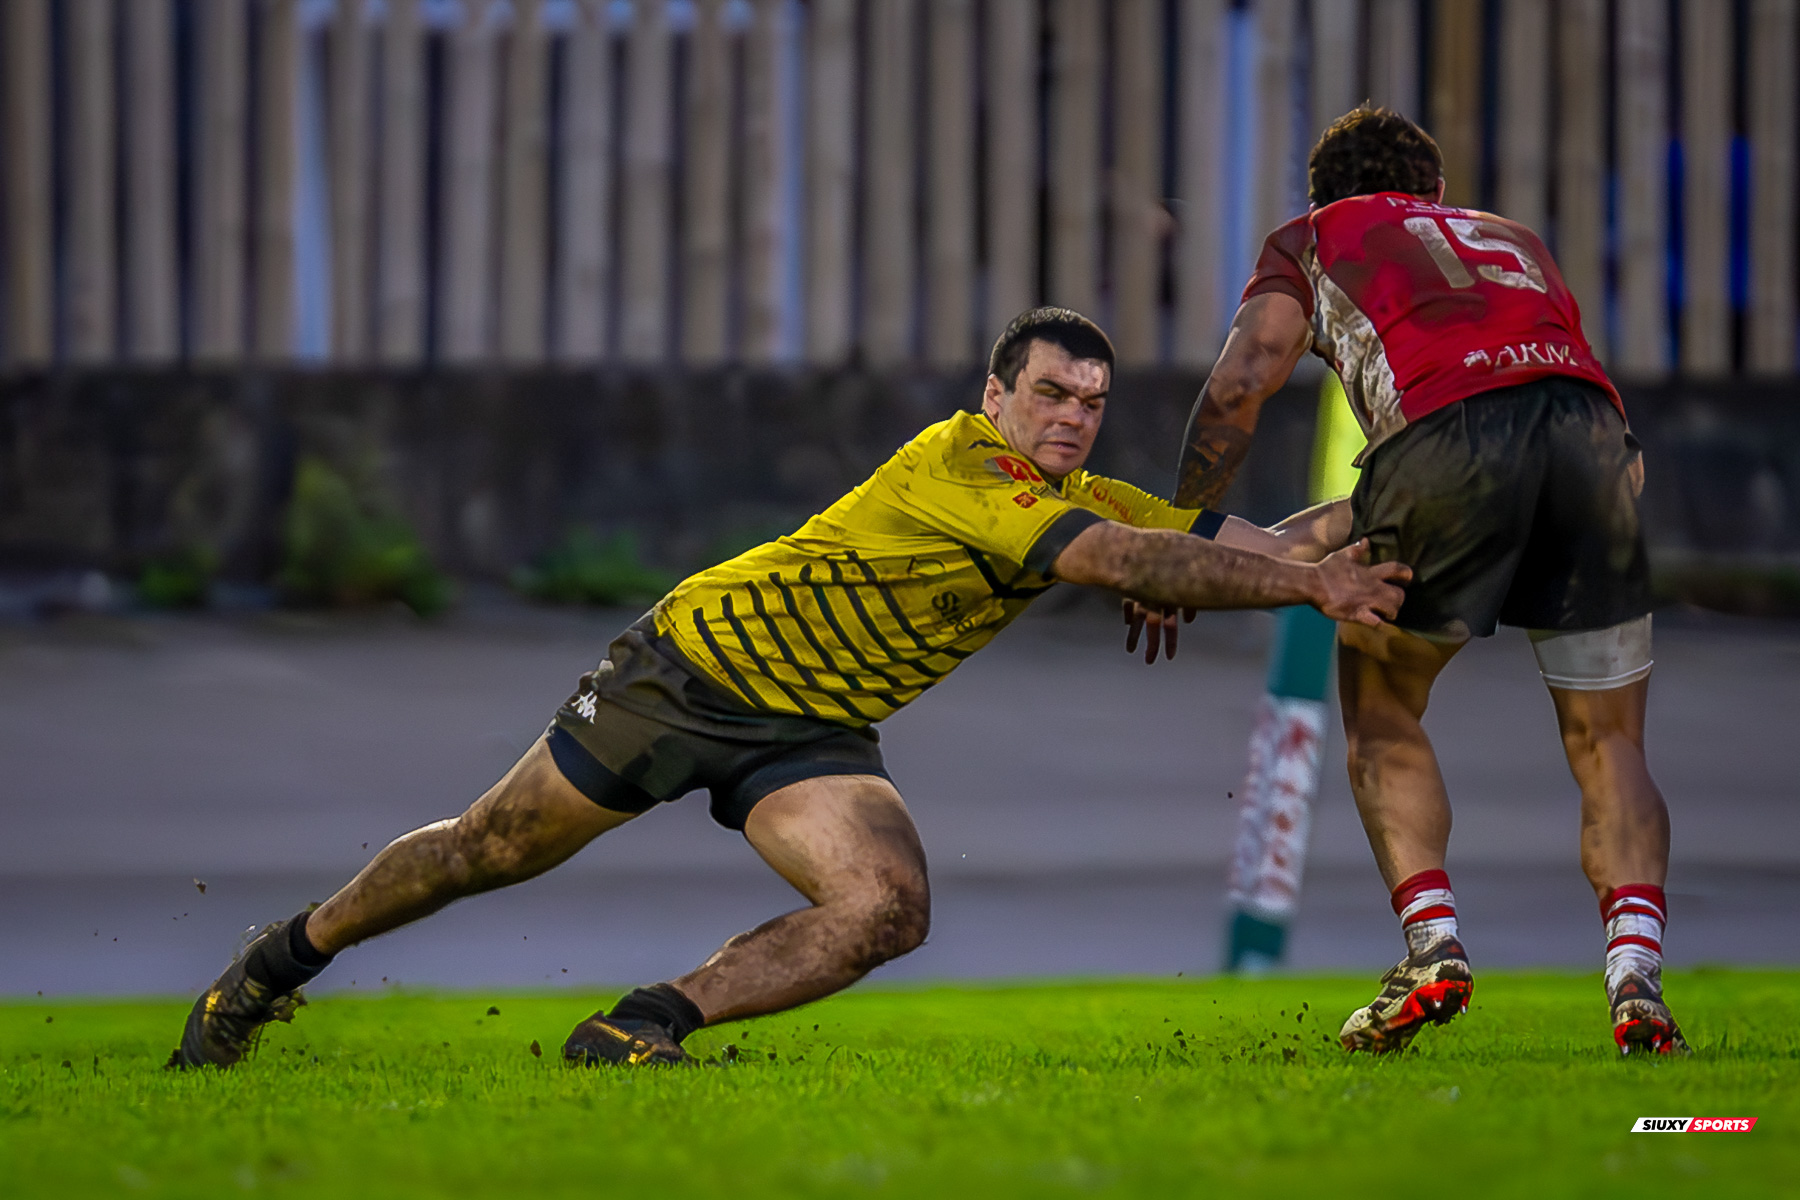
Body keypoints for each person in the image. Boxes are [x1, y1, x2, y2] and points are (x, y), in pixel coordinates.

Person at [169, 307, 1408, 1070]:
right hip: (693, 668)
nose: (1075, 417)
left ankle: (641, 1024)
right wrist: (1302, 591)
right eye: (1051, 392)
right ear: (996, 396)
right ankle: (274, 964)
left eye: (1092, 401)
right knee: (489, 847)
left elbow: (1251, 544)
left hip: (807, 729)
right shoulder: (962, 462)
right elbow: (1121, 563)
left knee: (887, 907)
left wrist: (1407, 490)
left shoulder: (1090, 494)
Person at [1139, 106, 1683, 1056]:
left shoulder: (1312, 238)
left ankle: (1433, 949)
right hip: (1599, 449)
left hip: (1443, 444)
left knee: (1384, 704)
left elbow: (1240, 382)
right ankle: (1634, 973)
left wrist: (1184, 537)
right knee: (1609, 741)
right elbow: (1542, 409)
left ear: (1324, 195)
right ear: (1434, 195)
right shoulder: (1511, 239)